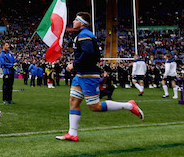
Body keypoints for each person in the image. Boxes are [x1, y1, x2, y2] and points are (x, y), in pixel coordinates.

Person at [56, 12, 143, 142]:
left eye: (75, 19)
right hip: (81, 74)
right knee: (73, 101)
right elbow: (94, 54)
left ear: (81, 22)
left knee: (94, 106)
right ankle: (72, 133)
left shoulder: (85, 35)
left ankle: (129, 106)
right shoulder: (84, 34)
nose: (73, 21)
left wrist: (74, 64)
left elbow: (89, 52)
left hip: (87, 74)